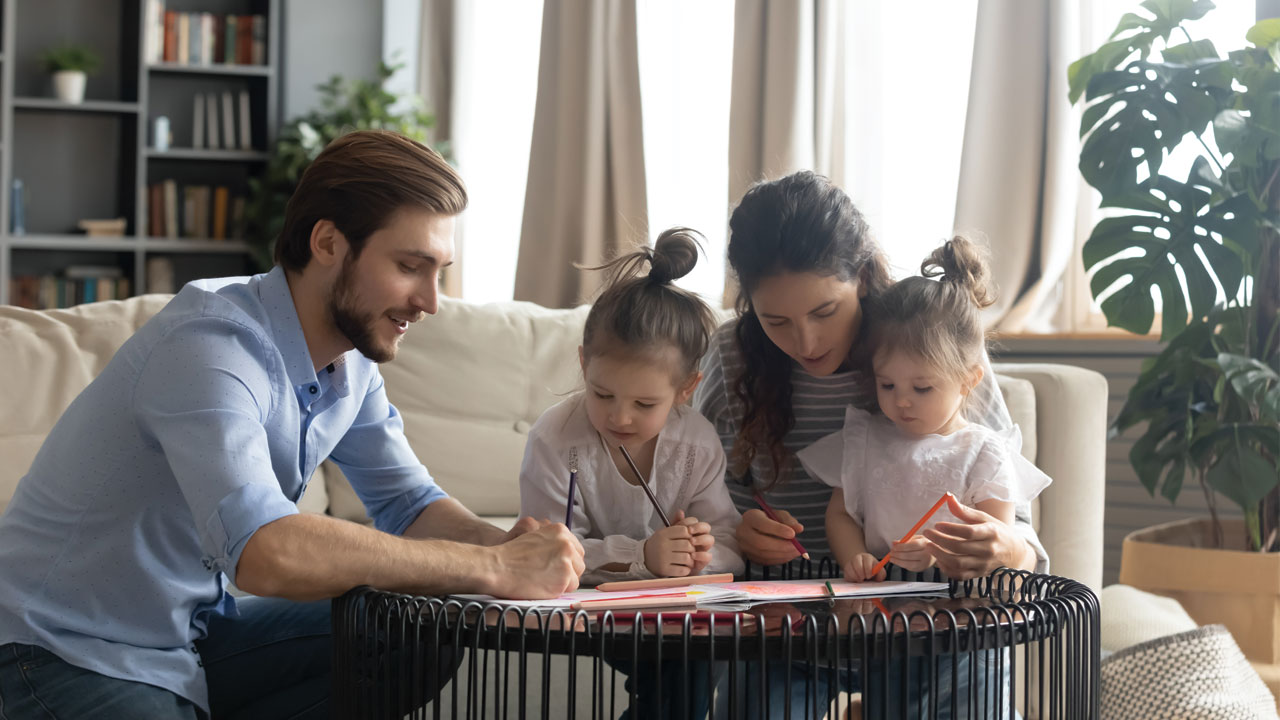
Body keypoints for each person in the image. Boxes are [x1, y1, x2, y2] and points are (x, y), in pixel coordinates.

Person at [0, 130, 584, 720]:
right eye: (411, 266)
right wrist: (491, 569)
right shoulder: (210, 347)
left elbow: (408, 504)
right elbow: (266, 550)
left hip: (190, 637)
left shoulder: (350, 363)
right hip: (55, 648)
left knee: (418, 633)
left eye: (440, 271)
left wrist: (515, 548)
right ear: (328, 242)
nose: (431, 301)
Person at [694, 171, 1048, 718]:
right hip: (789, 631)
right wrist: (737, 536)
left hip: (927, 632)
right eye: (776, 321)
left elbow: (1018, 535)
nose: (805, 343)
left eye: (824, 312)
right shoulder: (732, 357)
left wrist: (1009, 551)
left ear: (860, 277)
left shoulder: (927, 343)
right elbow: (694, 500)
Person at [520, 227, 743, 718]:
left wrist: (699, 552)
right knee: (680, 670)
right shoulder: (555, 440)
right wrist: (643, 556)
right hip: (602, 613)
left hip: (684, 615)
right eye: (602, 395)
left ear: (687, 388)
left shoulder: (697, 441)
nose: (619, 417)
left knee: (691, 660)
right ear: (583, 363)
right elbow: (542, 556)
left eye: (645, 403)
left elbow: (730, 544)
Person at [800, 235, 1052, 584]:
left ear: (968, 380)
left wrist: (937, 551)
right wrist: (854, 555)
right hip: (877, 605)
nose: (902, 401)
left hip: (957, 609)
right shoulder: (865, 439)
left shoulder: (984, 452)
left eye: (922, 388)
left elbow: (994, 539)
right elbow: (840, 515)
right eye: (886, 385)